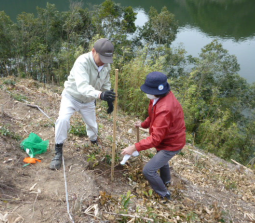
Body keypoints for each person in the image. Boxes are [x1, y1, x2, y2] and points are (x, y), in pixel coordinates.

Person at [50, 38, 116, 170]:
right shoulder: (82, 62)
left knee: (92, 125)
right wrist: (100, 95)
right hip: (72, 96)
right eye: (102, 57)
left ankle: (94, 142)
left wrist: (108, 97)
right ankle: (58, 149)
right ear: (93, 51)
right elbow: (82, 86)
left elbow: (106, 82)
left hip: (88, 101)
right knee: (63, 120)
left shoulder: (106, 65)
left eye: (107, 59)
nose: (104, 62)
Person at [121, 71, 186, 201]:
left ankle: (164, 194)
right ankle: (166, 181)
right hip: (165, 139)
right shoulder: (157, 98)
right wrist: (144, 124)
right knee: (161, 161)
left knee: (149, 171)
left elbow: (156, 139)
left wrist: (134, 147)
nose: (147, 92)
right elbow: (152, 115)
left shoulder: (165, 108)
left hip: (172, 143)